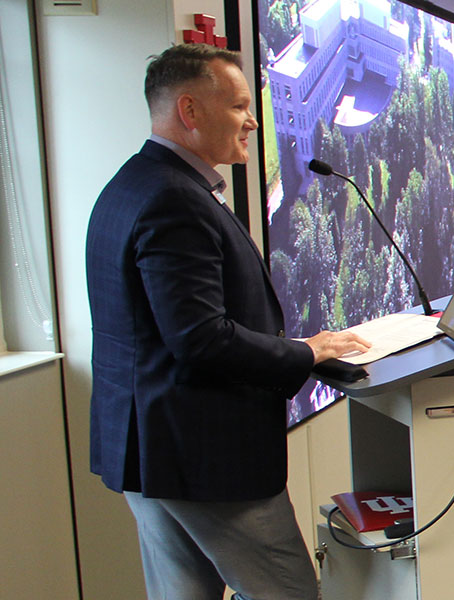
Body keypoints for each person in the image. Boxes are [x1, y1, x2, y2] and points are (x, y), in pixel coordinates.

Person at [86, 44, 371, 599]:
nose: (253, 119)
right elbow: (200, 338)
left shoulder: (132, 184)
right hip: (204, 457)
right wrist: (306, 352)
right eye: (239, 105)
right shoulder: (174, 200)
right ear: (190, 112)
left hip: (150, 450)